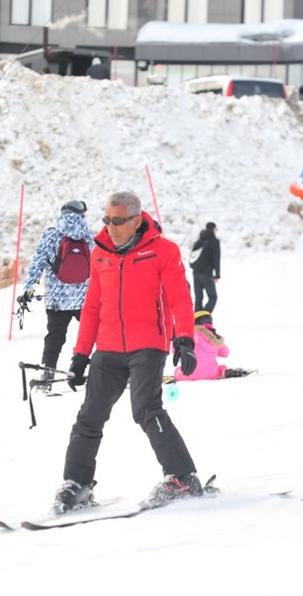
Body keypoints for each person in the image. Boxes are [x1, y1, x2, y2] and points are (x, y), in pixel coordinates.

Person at [54, 190, 204, 512]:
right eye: (106, 219)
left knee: (146, 409)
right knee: (89, 416)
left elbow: (180, 298)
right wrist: (80, 355)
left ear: (136, 220)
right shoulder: (100, 253)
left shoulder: (164, 251)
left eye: (118, 220)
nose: (110, 226)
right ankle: (77, 484)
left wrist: (185, 339)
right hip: (108, 346)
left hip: (147, 344)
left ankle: (182, 477)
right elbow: (92, 305)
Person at [19, 200, 93, 384]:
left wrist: (28, 290)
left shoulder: (50, 235)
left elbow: (37, 264)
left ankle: (48, 373)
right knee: (94, 334)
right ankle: (106, 370)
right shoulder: (89, 237)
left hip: (56, 300)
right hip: (84, 298)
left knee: (54, 336)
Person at [172, 311, 252, 382]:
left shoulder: (188, 334)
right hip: (211, 374)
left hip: (189, 375)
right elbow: (225, 353)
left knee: (178, 371)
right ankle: (224, 372)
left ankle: (180, 374)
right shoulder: (213, 337)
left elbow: (175, 350)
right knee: (220, 368)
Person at [189, 221, 221, 313]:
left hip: (195, 272)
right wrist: (217, 275)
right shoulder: (214, 241)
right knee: (213, 297)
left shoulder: (198, 241)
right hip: (206, 273)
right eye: (216, 229)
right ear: (213, 230)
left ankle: (197, 320)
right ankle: (204, 316)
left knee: (198, 298)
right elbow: (216, 259)